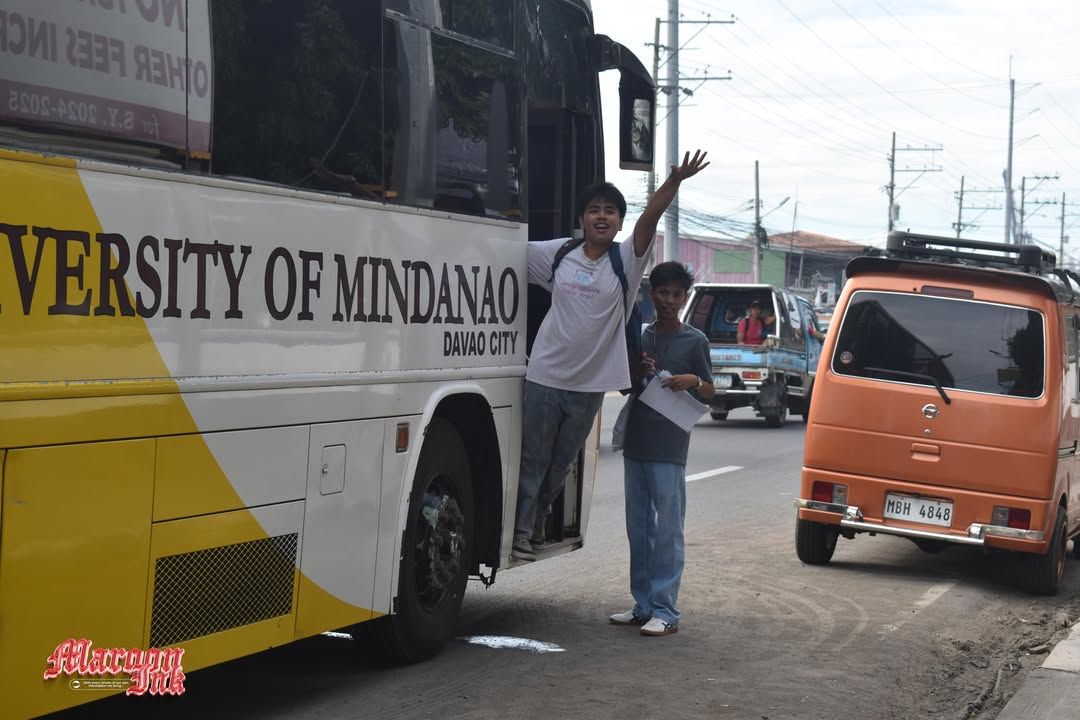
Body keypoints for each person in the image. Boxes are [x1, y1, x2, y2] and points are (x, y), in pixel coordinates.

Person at [513, 151, 710, 560]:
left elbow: (650, 220)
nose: (601, 217)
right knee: (532, 459)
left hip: (589, 387)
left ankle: (537, 521)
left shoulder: (625, 261)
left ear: (619, 222)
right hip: (545, 375)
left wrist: (673, 181)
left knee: (560, 461)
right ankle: (520, 532)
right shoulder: (557, 253)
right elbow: (501, 247)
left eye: (610, 212)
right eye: (593, 210)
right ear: (582, 219)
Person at [609, 261, 714, 637]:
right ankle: (643, 605)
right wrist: (635, 372)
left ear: (685, 299)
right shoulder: (638, 336)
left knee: (668, 528)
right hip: (636, 441)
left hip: (670, 445)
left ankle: (666, 610)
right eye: (663, 293)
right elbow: (622, 386)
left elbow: (711, 392)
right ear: (651, 295)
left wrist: (694, 379)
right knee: (638, 528)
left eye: (676, 295)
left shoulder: (695, 341)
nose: (669, 300)